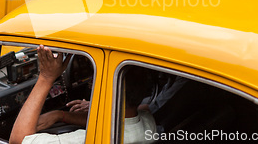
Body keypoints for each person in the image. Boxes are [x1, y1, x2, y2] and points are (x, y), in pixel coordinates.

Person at [9, 45, 156, 144]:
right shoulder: (149, 125)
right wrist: (60, 115)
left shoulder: (84, 140)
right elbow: (138, 111)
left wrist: (46, 78)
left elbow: (18, 140)